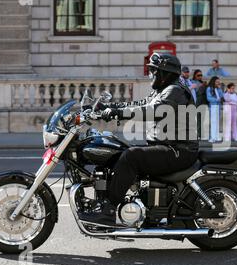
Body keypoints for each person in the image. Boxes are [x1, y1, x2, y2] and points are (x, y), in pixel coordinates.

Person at [84, 53, 199, 227]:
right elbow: (139, 103)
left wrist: (118, 113)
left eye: (153, 71)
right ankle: (107, 201)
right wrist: (109, 107)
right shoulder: (163, 90)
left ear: (164, 73)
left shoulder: (174, 91)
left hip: (178, 150)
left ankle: (107, 211)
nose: (150, 75)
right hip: (166, 146)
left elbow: (153, 110)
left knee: (131, 156)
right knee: (116, 154)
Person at [206, 76, 224, 143]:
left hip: (218, 106)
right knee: (213, 122)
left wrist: (220, 89)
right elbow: (209, 98)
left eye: (219, 82)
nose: (218, 83)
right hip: (213, 106)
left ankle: (217, 136)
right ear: (213, 82)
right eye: (217, 82)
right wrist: (216, 100)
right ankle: (212, 137)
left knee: (217, 122)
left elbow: (222, 96)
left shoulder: (218, 89)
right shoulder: (209, 89)